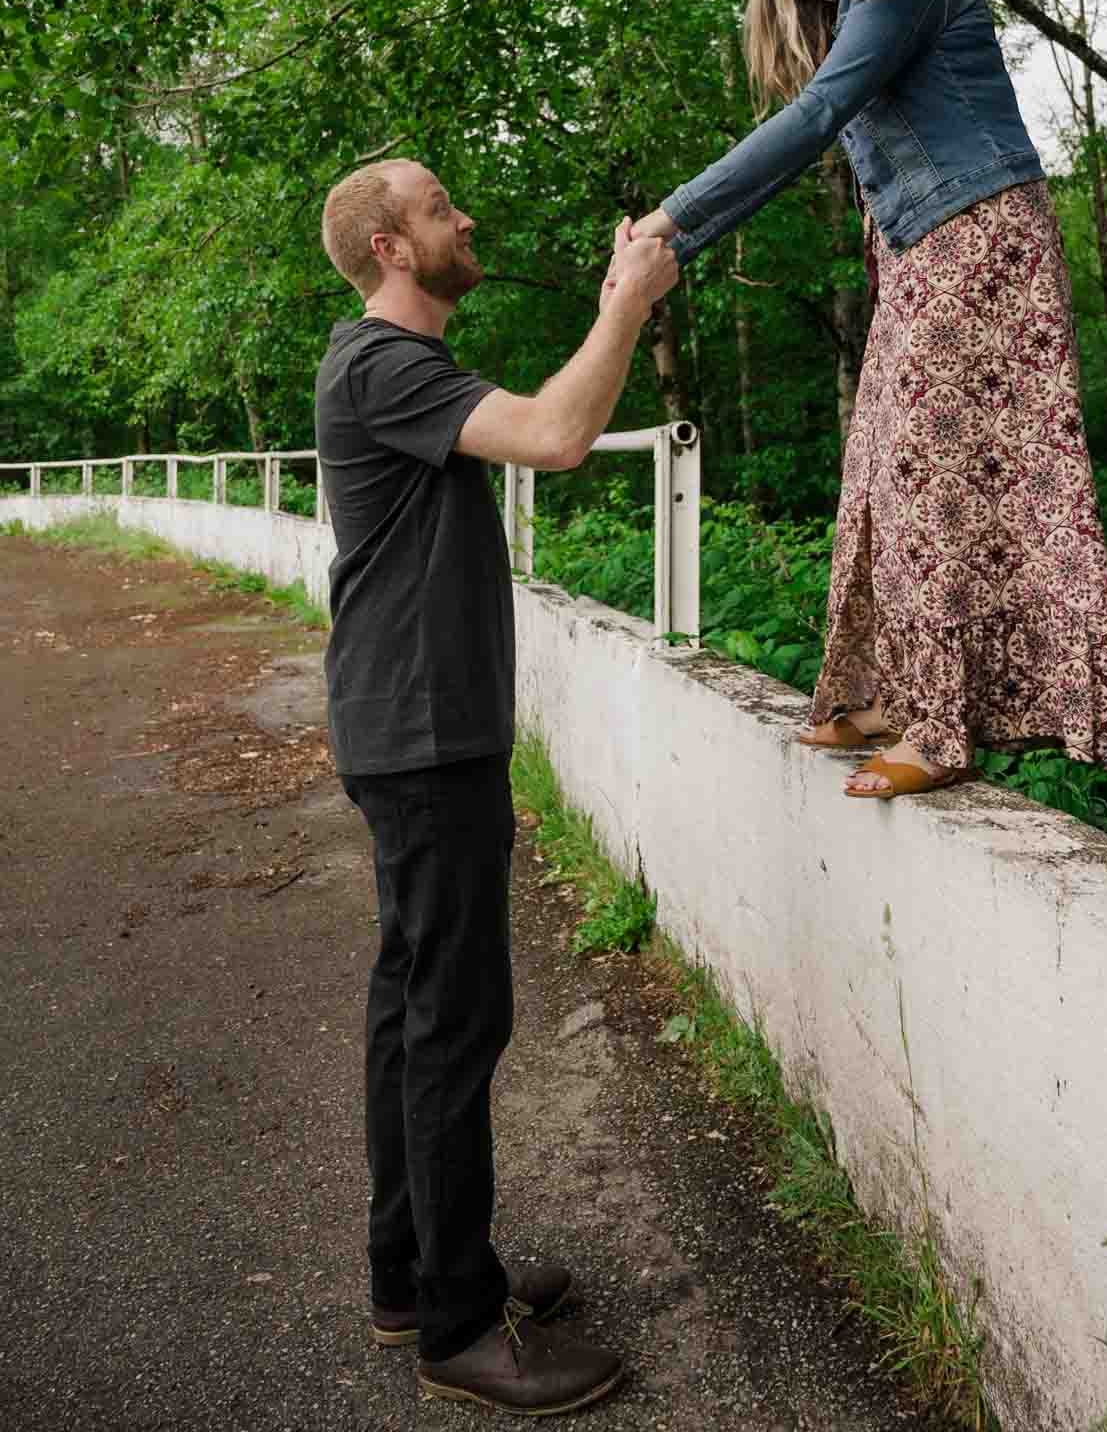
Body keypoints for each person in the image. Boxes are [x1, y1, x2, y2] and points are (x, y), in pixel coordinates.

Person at [619, 0, 1107, 797]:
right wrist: (676, 248)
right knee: (877, 475)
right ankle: (887, 693)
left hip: (980, 236)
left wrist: (671, 217)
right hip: (919, 251)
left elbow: (818, 117)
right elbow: (813, 130)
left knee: (928, 480)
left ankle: (942, 729)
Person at [316, 157, 677, 1414]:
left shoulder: (390, 369)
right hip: (420, 737)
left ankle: (413, 1276)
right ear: (391, 248)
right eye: (436, 207)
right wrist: (625, 300)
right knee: (452, 1024)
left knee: (413, 1010)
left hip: (410, 730)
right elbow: (558, 435)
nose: (463, 215)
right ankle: (458, 1327)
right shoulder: (380, 362)